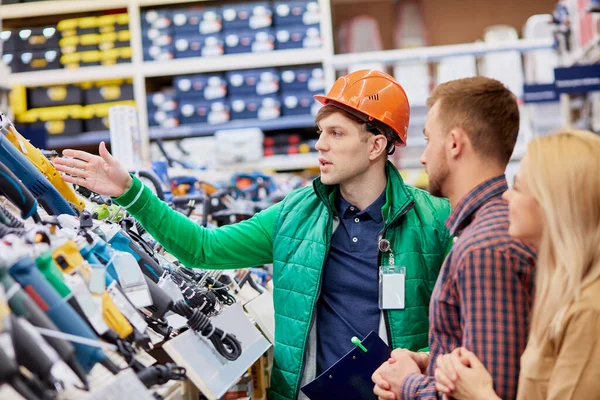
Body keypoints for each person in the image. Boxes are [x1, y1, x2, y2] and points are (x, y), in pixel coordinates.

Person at [54, 70, 452, 400]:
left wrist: (420, 365)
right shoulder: (297, 214)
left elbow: (463, 325)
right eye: (320, 132)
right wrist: (132, 192)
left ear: (376, 145)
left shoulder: (433, 219)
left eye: (336, 134)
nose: (320, 145)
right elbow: (203, 248)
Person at [371, 76, 537, 400]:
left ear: (454, 143)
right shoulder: (490, 229)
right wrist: (428, 362)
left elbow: (489, 390)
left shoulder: (483, 249)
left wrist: (407, 383)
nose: (423, 157)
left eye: (428, 139)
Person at [434, 129, 600, 400]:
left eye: (520, 187)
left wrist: (478, 395)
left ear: (554, 204)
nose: (507, 197)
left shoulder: (589, 313)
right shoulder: (567, 294)